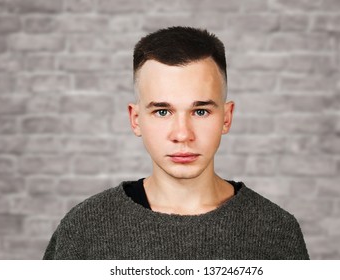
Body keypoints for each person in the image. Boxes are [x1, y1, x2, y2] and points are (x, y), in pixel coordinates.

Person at [43, 26, 309, 260]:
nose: (182, 134)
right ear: (136, 120)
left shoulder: (276, 230)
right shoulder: (85, 229)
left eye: (200, 111)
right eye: (162, 111)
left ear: (226, 118)